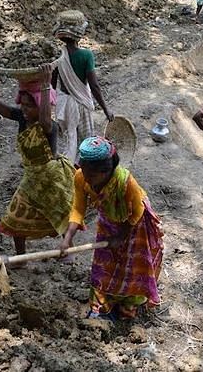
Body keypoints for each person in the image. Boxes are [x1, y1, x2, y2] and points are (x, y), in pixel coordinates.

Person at [60, 136, 164, 320]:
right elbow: (78, 208)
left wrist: (121, 237)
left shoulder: (125, 183)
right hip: (108, 220)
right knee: (104, 264)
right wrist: (68, 237)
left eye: (91, 175)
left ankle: (128, 305)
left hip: (134, 224)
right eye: (83, 170)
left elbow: (137, 210)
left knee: (132, 267)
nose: (86, 177)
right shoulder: (81, 177)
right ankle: (101, 305)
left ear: (106, 171)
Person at [0, 65, 76, 261]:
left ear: (39, 104)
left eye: (30, 106)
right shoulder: (21, 117)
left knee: (60, 213)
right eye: (23, 105)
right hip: (32, 177)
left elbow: (45, 119)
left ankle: (67, 250)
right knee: (15, 217)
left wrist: (46, 84)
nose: (25, 110)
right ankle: (22, 260)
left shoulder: (49, 127)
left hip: (51, 178)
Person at [51, 10, 114, 164]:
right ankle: (79, 169)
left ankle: (66, 166)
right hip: (80, 105)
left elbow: (52, 84)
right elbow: (94, 86)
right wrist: (106, 110)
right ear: (79, 33)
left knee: (68, 138)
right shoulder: (86, 55)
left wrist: (51, 107)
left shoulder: (58, 55)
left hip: (63, 103)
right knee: (85, 141)